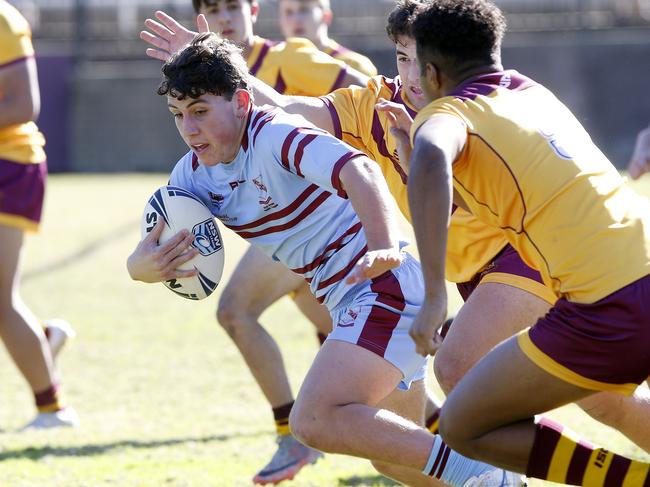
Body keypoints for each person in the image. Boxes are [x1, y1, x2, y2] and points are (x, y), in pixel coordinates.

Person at [145, 0, 650, 456]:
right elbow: (291, 108)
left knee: (457, 369)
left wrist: (417, 270)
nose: (411, 73)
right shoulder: (372, 105)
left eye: (418, 58)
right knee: (600, 397)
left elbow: (433, 160)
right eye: (400, 57)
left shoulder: (472, 106)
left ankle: (515, 471)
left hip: (523, 258)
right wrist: (217, 64)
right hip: (477, 276)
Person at [127, 32, 526, 486]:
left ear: (241, 102)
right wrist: (140, 269)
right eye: (178, 115)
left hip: (384, 285)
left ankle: (488, 474)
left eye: (200, 112)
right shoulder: (194, 174)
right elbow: (159, 241)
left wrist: (382, 245)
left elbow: (361, 169)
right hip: (351, 300)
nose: (189, 129)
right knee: (394, 460)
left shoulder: (273, 134)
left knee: (313, 419)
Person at [406, 1, 650, 485]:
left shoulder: (448, 112)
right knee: (600, 398)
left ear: (432, 73)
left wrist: (434, 293)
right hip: (633, 268)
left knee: (463, 424)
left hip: (611, 306)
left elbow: (432, 153)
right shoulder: (533, 92)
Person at [141, 1, 375, 482]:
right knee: (355, 341)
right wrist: (143, 262)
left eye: (232, 7)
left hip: (330, 213)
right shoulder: (201, 74)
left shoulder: (291, 58)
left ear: (253, 9)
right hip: (280, 225)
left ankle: (293, 436)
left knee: (237, 310)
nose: (223, 18)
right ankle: (445, 422)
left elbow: (365, 96)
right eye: (212, 10)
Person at [0, 0, 78, 430]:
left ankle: (54, 409)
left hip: (9, 166)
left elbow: (23, 104)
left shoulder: (3, 20)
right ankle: (40, 343)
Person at [277, 0, 377, 76]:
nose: (296, 19)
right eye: (288, 12)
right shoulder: (271, 64)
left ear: (326, 16)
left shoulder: (355, 67)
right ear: (280, 20)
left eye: (304, 10)